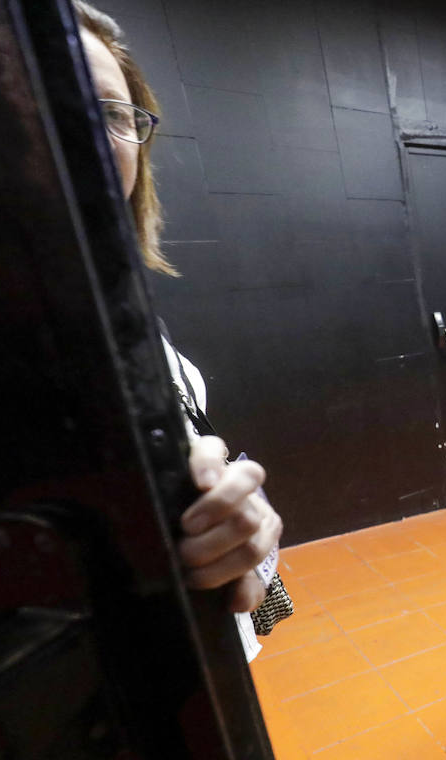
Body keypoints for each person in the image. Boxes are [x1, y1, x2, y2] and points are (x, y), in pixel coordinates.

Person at [78, 3, 284, 660]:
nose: (84, 134)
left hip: (202, 656)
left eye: (112, 113)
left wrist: (235, 526)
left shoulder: (124, 312)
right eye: (46, 101)